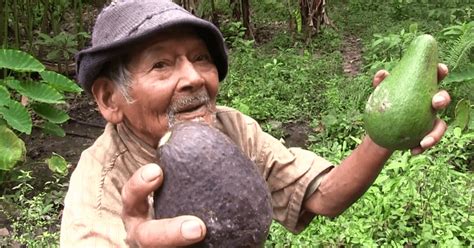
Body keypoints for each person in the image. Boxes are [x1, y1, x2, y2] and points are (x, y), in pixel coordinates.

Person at [59, 0, 451, 247]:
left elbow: (323, 197)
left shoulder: (231, 129)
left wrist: (386, 130)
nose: (194, 78)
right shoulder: (98, 189)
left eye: (200, 58)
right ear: (110, 100)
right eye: (161, 64)